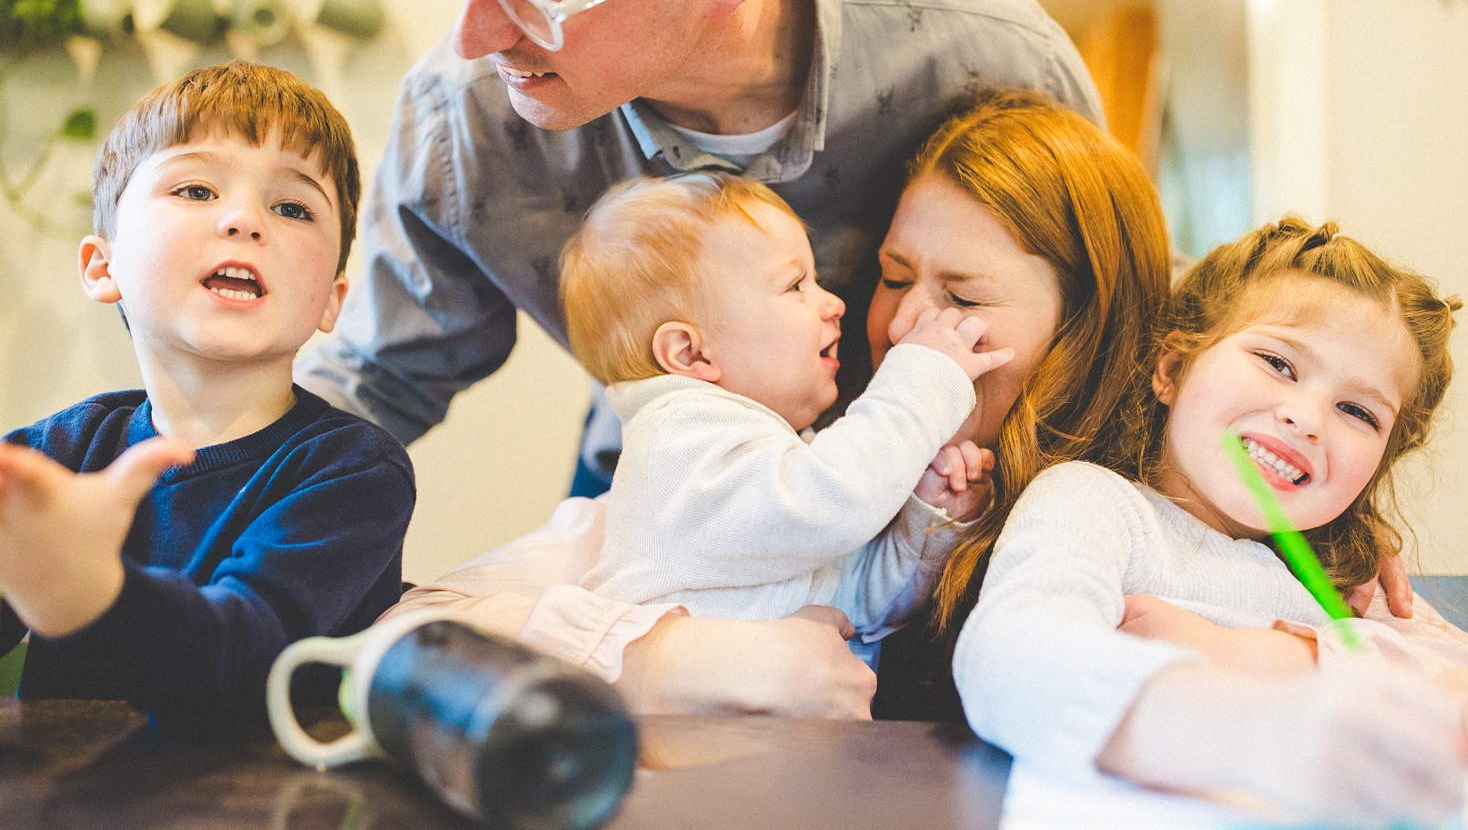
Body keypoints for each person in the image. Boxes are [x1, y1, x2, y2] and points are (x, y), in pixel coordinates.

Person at [294, 0, 1102, 497]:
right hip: (666, 492)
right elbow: (372, 384)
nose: (473, 36)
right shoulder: (459, 120)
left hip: (975, 492)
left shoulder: (987, 61)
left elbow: (1114, 315)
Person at [392, 90, 1173, 717]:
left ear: (1086, 325)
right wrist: (654, 662)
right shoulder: (703, 448)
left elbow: (858, 594)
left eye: (962, 295)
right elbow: (407, 637)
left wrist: (930, 527)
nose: (904, 328)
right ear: (690, 353)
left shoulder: (1131, 532)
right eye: (893, 280)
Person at [953, 217, 1468, 826]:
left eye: (1358, 411)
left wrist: (1284, 657)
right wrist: (1252, 735)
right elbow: (1011, 656)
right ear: (1174, 369)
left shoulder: (1341, 577)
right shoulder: (1097, 503)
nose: (1308, 417)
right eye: (1279, 363)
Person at [0, 63, 416, 735]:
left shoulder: (354, 473)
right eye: (196, 188)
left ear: (332, 300)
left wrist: (88, 594)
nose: (245, 220)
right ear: (102, 267)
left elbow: (245, 662)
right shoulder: (49, 458)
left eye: (293, 208)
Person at [562, 173, 1008, 656]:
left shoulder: (773, 466)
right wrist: (923, 377)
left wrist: (928, 522)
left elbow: (858, 608)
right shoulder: (679, 446)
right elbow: (835, 502)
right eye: (797, 284)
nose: (833, 304)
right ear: (690, 354)